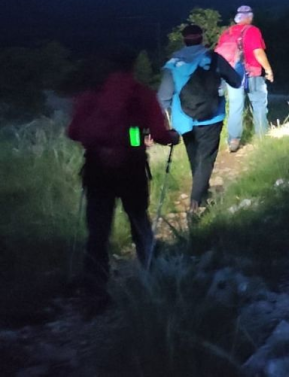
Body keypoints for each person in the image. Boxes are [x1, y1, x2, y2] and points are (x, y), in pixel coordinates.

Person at [67, 47, 179, 304]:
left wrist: (101, 145)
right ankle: (152, 277)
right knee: (138, 219)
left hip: (96, 166)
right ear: (132, 66)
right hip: (131, 165)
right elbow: (159, 133)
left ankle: (95, 287)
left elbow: (74, 132)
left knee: (98, 229)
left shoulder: (92, 94)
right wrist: (169, 137)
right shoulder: (141, 94)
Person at [158, 23, 242, 212]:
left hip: (184, 120)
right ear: (202, 38)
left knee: (195, 157)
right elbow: (236, 82)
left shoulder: (173, 63)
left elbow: (163, 97)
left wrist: (162, 121)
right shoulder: (213, 58)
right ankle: (196, 201)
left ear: (184, 40)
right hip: (212, 116)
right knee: (206, 158)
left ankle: (201, 196)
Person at [215, 5, 274, 152]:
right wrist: (268, 70)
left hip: (231, 74)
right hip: (251, 72)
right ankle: (261, 138)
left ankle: (233, 140)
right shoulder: (252, 30)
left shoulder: (227, 32)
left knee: (235, 106)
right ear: (250, 17)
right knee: (259, 103)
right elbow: (258, 52)